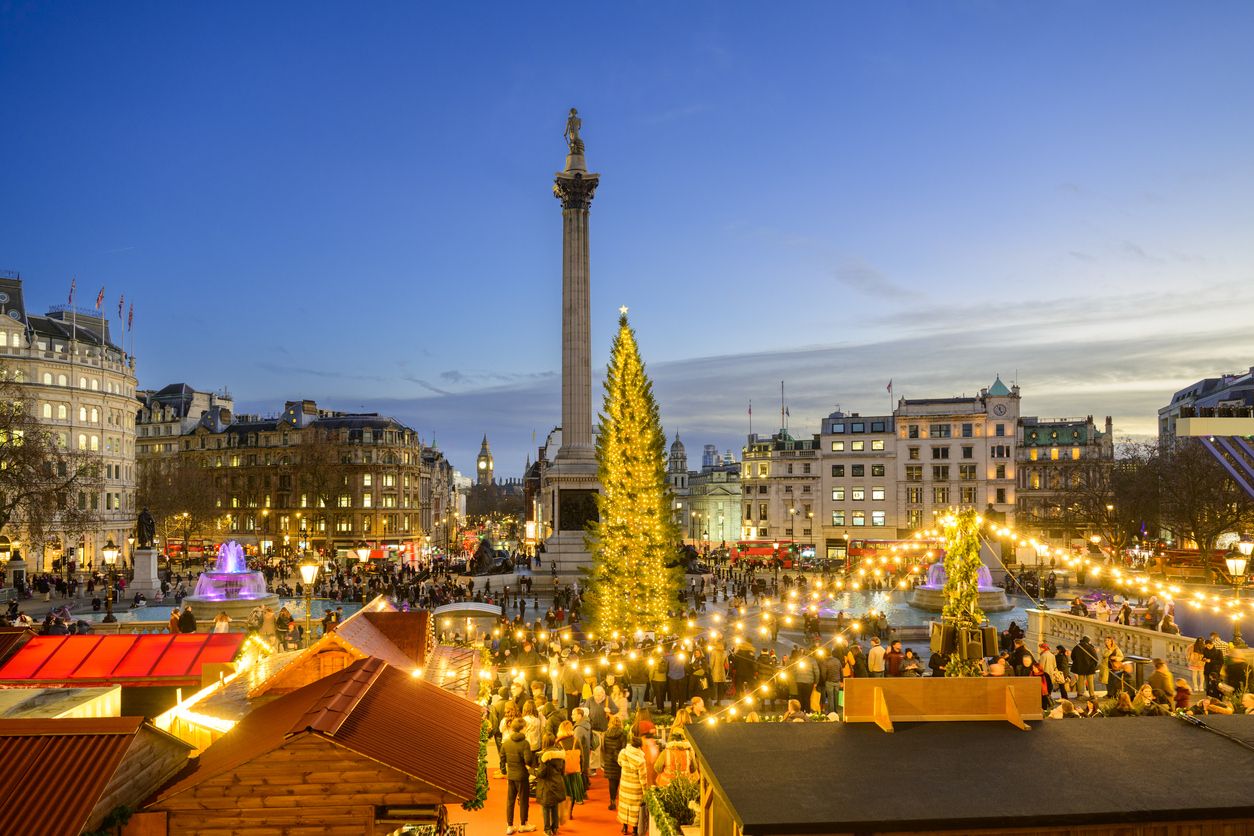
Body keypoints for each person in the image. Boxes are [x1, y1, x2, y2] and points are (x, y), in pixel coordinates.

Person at [501, 717, 537, 833]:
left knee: (510, 801)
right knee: (523, 800)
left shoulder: (506, 743)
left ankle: (510, 826)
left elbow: (502, 759)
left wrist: (505, 771)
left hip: (511, 775)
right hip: (522, 776)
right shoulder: (525, 743)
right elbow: (528, 761)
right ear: (522, 729)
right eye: (525, 726)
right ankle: (523, 824)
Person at [535, 733, 567, 836]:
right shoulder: (560, 754)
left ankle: (547, 830)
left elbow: (541, 773)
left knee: (546, 807)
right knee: (554, 806)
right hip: (558, 783)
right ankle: (555, 828)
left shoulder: (544, 756)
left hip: (547, 785)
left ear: (544, 742)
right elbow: (562, 770)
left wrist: (531, 771)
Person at [616, 735, 648, 835]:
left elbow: (620, 763)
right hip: (635, 788)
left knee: (624, 806)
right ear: (639, 747)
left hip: (625, 784)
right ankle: (635, 830)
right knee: (635, 809)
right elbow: (643, 778)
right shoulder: (641, 761)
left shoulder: (623, 753)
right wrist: (645, 792)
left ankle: (625, 828)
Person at [653, 713, 695, 786]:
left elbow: (657, 767)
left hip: (666, 785)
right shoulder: (689, 752)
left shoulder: (666, 752)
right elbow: (693, 768)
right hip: (685, 786)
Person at [555, 720, 586, 815]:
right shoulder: (576, 740)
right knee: (573, 793)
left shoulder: (558, 742)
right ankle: (570, 811)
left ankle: (563, 810)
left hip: (563, 772)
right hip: (574, 770)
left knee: (565, 792)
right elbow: (582, 756)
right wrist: (581, 769)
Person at [601, 715, 626, 811]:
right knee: (618, 779)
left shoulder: (606, 734)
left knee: (611, 781)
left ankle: (612, 801)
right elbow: (623, 748)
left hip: (609, 759)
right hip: (618, 759)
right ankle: (617, 796)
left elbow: (604, 747)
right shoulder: (623, 734)